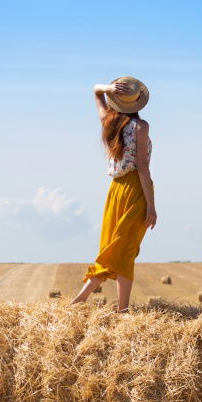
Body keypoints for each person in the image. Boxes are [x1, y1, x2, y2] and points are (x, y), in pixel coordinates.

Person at [71, 76, 156, 311]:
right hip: (134, 188)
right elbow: (142, 167)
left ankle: (80, 300)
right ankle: (122, 309)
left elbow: (95, 91)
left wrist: (107, 88)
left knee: (113, 245)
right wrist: (151, 204)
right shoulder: (141, 127)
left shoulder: (108, 120)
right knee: (125, 248)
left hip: (115, 190)